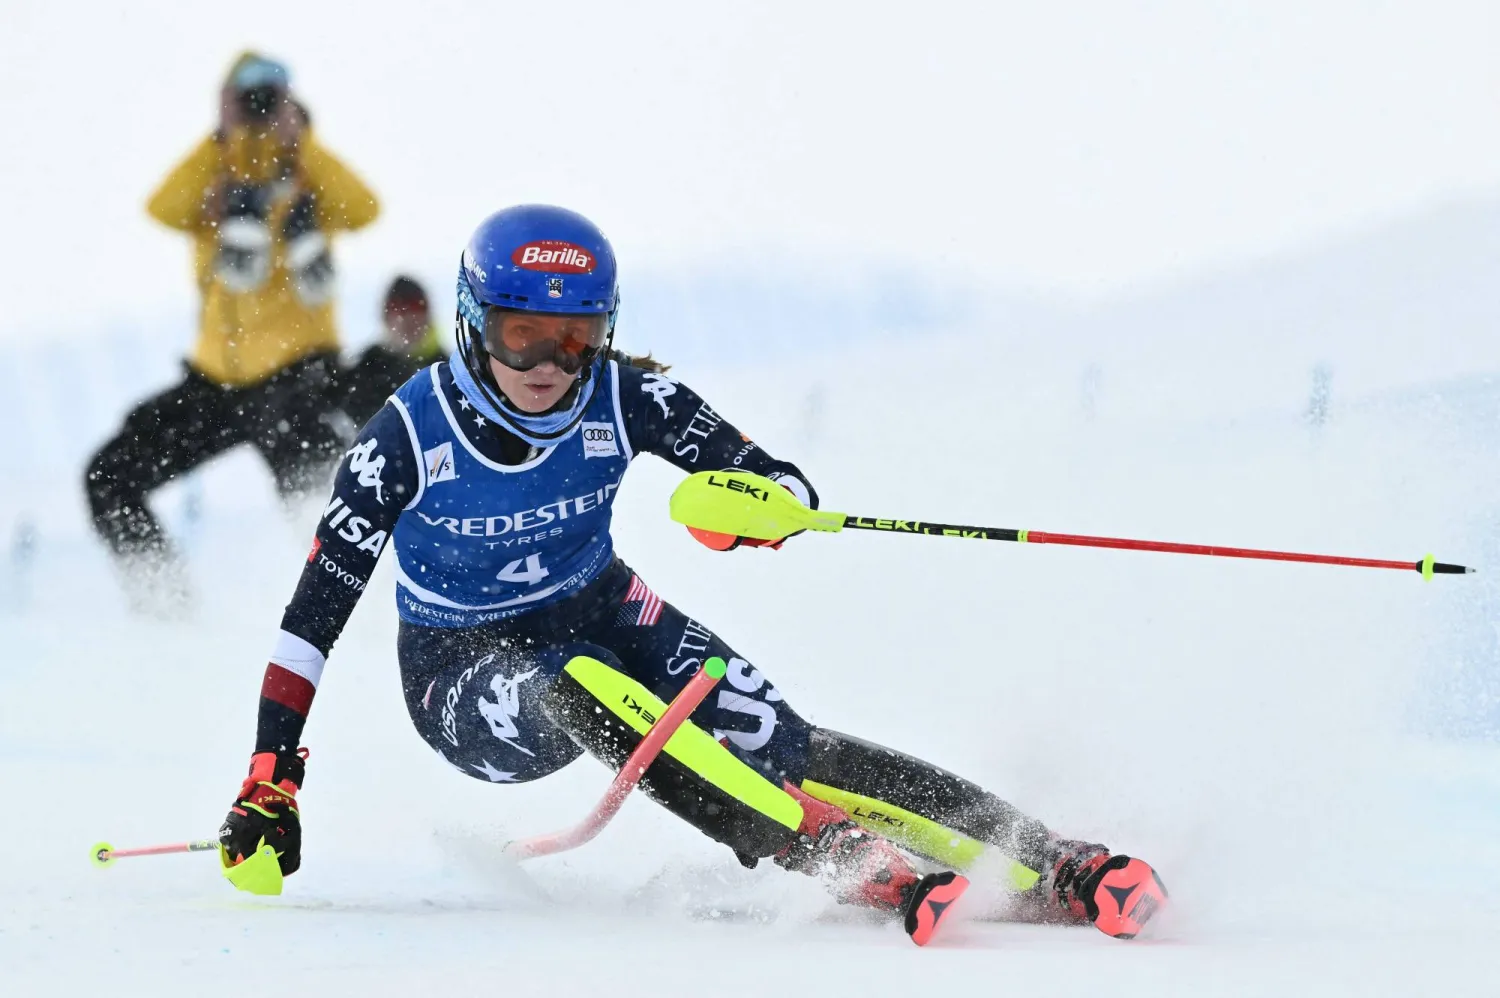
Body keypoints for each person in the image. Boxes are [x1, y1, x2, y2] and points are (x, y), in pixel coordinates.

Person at [217, 205, 1168, 941]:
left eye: (577, 334)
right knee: (575, 689)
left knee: (780, 740)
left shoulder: (627, 393)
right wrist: (273, 776)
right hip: (460, 664)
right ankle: (830, 852)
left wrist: (761, 511)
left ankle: (1055, 860)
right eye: (522, 333)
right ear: (473, 323)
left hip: (600, 603)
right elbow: (314, 614)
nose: (551, 362)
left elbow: (768, 475)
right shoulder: (408, 436)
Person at [84, 52, 378, 609]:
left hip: (297, 377)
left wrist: (301, 143)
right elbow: (160, 207)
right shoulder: (214, 180)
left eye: (270, 96)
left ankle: (358, 614)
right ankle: (164, 605)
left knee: (326, 495)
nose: (260, 107)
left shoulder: (309, 176)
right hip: (219, 382)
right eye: (249, 97)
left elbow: (366, 208)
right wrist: (221, 138)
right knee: (109, 475)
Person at [333, 276, 445, 427]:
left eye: (416, 308)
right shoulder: (366, 367)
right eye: (397, 309)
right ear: (386, 318)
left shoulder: (447, 369)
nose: (407, 318)